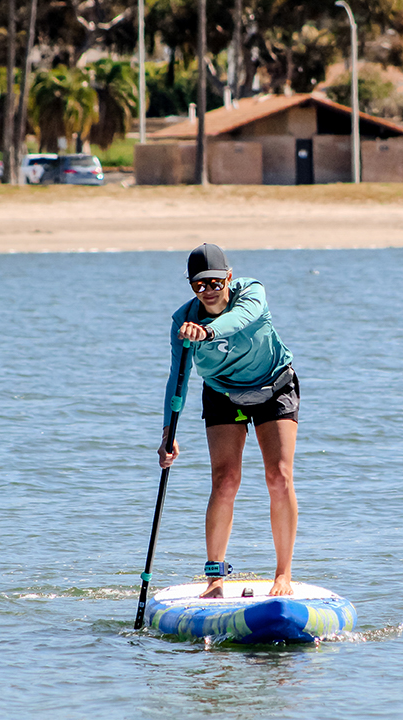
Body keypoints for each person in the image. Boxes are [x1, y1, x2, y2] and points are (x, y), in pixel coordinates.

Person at [158, 244, 300, 598]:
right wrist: (168, 432)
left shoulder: (252, 293)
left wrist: (206, 333)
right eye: (198, 285)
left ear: (229, 278)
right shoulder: (183, 320)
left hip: (274, 387)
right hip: (222, 394)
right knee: (225, 482)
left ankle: (283, 576)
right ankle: (215, 579)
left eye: (214, 283)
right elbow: (177, 376)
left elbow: (239, 320)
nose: (207, 291)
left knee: (278, 477)